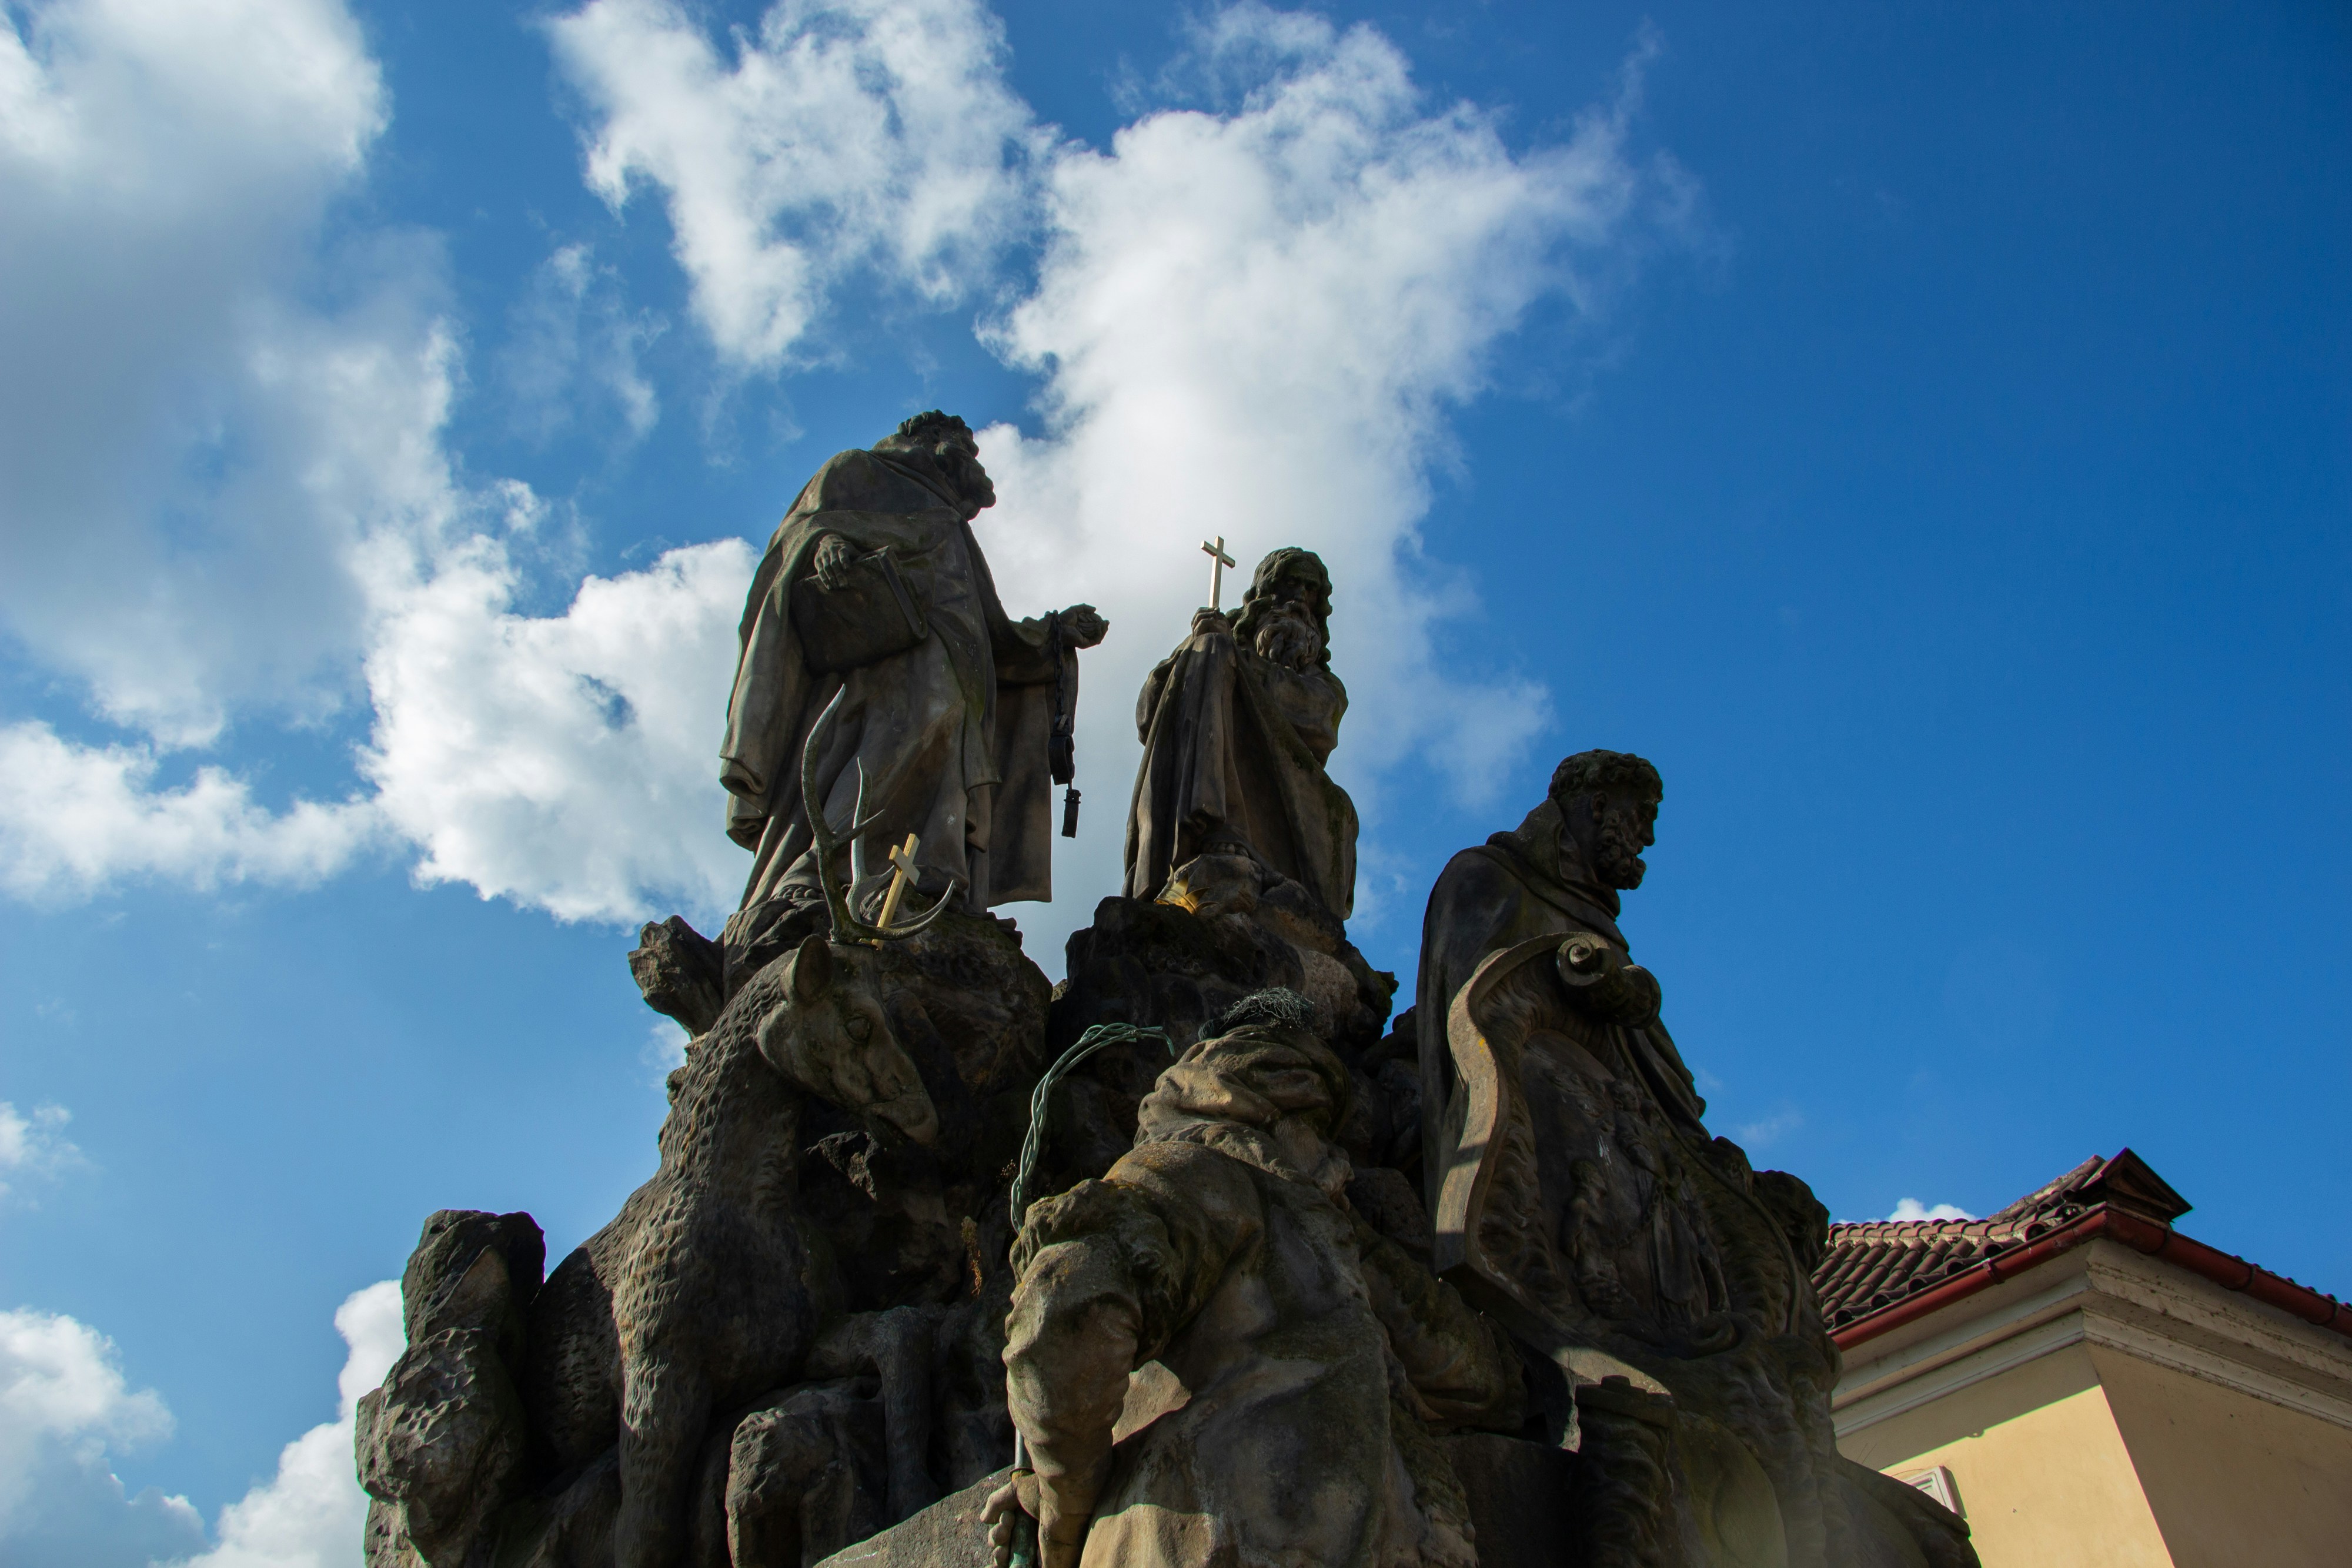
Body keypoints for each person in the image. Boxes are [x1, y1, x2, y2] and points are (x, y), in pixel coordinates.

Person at [985, 992, 1521, 1568]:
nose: (1329, 1146)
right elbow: (1065, 1308)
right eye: (1317, 1121)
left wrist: (1064, 1495)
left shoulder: (1308, 1223)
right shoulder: (1195, 1177)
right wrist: (1067, 1506)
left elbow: (1473, 1381)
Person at [719, 412, 1105, 977]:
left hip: (963, 670)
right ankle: (824, 873)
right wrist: (826, 544)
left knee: (947, 759)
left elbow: (994, 629)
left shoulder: (953, 525)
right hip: (887, 655)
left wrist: (1052, 631)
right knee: (896, 738)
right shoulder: (859, 471)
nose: (974, 462)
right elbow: (798, 536)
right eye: (967, 449)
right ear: (928, 439)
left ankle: (931, 884)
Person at [1124, 549, 1356, 921]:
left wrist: (1242, 664)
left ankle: (1232, 831)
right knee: (1210, 650)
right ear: (1265, 592)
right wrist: (1190, 647)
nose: (1299, 598)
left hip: (1288, 784)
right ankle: (1214, 825)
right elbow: (1147, 714)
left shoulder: (1321, 680)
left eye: (1310, 591)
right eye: (1290, 584)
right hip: (1206, 759)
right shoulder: (1218, 641)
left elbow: (1320, 723)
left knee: (1339, 809)